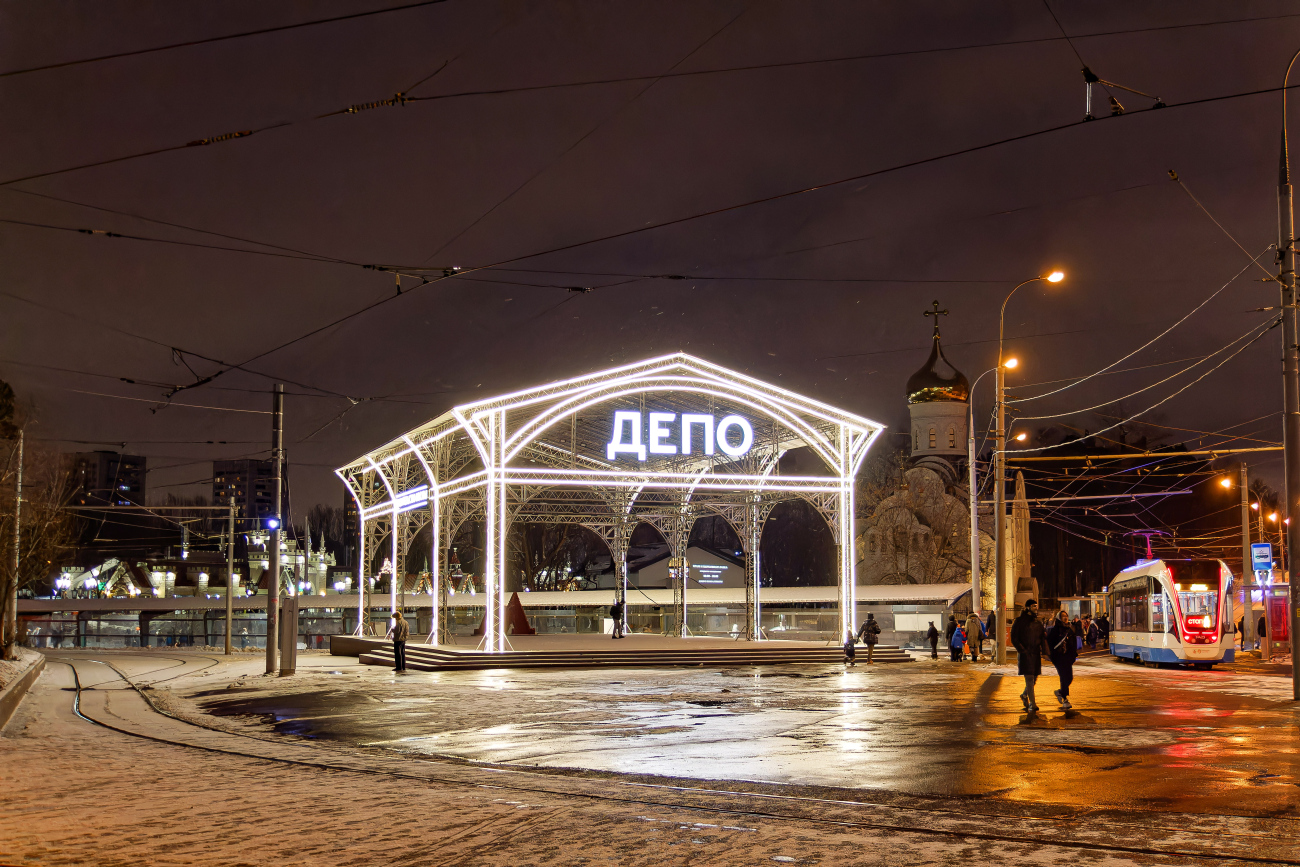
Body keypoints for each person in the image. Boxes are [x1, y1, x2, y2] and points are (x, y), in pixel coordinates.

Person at [1011, 599, 1051, 713]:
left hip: (1035, 654)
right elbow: (1014, 638)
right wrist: (1022, 650)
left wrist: (1045, 652)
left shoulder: (1038, 622)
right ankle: (1032, 704)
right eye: (1033, 606)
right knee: (1029, 678)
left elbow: (1042, 638)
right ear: (1027, 607)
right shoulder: (1019, 621)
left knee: (1034, 679)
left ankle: (1024, 695)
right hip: (1025, 654)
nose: (1035, 608)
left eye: (1036, 606)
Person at [1046, 609, 1078, 710]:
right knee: (1064, 678)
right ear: (1059, 618)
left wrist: (1073, 656)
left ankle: (1060, 692)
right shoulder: (1055, 629)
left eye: (1066, 616)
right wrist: (1052, 656)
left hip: (1068, 658)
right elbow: (1050, 643)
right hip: (1059, 658)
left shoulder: (1070, 629)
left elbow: (1073, 644)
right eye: (1063, 616)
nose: (1065, 617)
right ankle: (1065, 700)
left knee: (1069, 678)